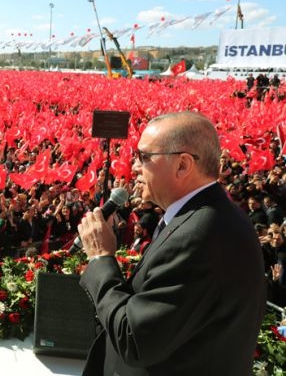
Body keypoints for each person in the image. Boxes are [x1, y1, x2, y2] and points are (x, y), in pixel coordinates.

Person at [77, 111, 265, 375]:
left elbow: (135, 339)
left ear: (183, 165)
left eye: (144, 157)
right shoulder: (205, 217)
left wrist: (101, 259)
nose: (134, 166)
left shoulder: (200, 235)